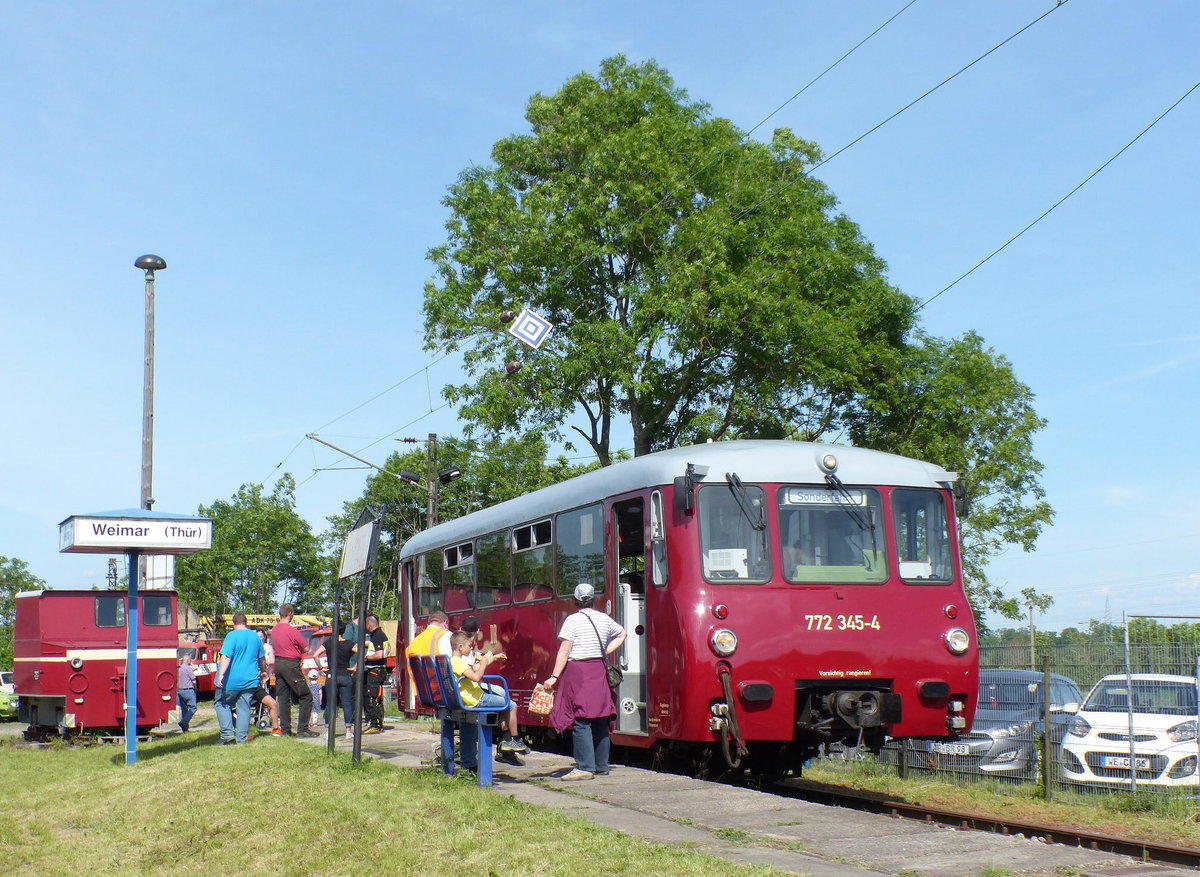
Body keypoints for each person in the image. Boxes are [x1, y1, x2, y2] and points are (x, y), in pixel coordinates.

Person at [542, 583, 627, 780]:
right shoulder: (604, 618)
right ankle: (601, 765)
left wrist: (554, 676)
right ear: (593, 599)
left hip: (579, 671)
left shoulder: (573, 620)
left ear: (576, 600)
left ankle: (584, 768)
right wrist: (605, 651)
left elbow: (565, 650)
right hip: (598, 669)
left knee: (581, 719)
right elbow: (623, 634)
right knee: (600, 717)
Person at [448, 630, 528, 760]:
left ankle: (507, 739)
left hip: (471, 698)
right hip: (476, 700)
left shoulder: (454, 661)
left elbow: (474, 669)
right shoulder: (458, 662)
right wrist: (484, 662)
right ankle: (514, 739)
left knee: (503, 704)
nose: (471, 648)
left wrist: (492, 659)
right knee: (511, 705)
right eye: (469, 645)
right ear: (460, 647)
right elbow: (476, 676)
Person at [214, 612, 268, 745]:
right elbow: (262, 658)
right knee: (243, 707)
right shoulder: (255, 637)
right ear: (246, 623)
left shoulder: (231, 636)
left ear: (233, 623)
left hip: (231, 681)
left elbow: (226, 656)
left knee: (221, 703)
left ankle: (227, 735)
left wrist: (221, 674)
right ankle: (241, 738)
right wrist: (264, 672)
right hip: (250, 680)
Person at [270, 603, 318, 737]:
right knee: (306, 695)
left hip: (278, 664)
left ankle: (285, 730)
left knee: (283, 697)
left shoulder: (274, 630)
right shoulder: (292, 631)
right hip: (290, 664)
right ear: (290, 614)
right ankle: (303, 729)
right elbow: (306, 648)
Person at [361, 614, 390, 733]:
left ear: (369, 624)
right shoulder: (379, 635)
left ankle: (375, 725)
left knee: (372, 697)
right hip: (378, 671)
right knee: (376, 697)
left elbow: (380, 654)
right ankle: (378, 723)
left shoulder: (378, 635)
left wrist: (366, 657)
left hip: (376, 671)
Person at [332, 623, 358, 738]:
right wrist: (355, 667)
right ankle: (348, 731)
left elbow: (316, 654)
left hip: (332, 675)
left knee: (330, 704)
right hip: (346, 675)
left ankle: (328, 731)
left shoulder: (329, 643)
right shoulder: (349, 644)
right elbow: (362, 653)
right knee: (347, 703)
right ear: (344, 631)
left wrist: (322, 668)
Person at [177, 655, 197, 733]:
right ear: (188, 660)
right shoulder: (188, 668)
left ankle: (185, 730)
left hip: (180, 691)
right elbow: (193, 680)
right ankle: (184, 722)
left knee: (184, 709)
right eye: (190, 660)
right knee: (193, 707)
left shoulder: (179, 668)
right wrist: (195, 689)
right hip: (188, 690)